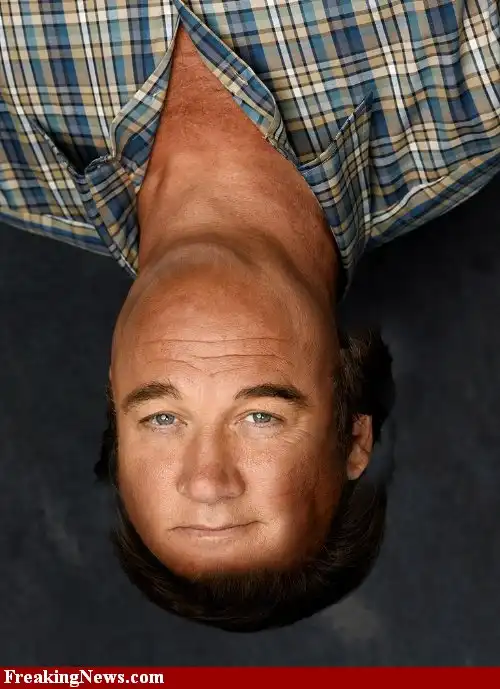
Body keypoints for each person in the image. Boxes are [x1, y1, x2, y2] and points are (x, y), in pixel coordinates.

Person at [0, 0, 498, 633]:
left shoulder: (11, 162)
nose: (208, 481)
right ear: (352, 434)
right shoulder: (474, 94)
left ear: (115, 398)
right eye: (262, 418)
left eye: (162, 419)